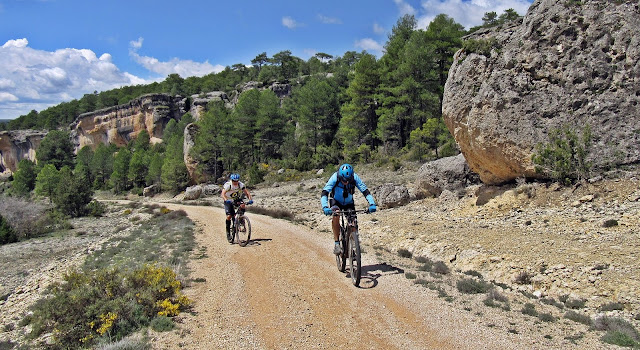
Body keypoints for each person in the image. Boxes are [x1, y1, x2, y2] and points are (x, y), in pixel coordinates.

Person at [320, 163, 377, 255]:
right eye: (344, 180)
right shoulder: (335, 177)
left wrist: (372, 204)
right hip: (335, 201)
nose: (346, 182)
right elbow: (324, 192)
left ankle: (352, 245)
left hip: (349, 203)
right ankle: (337, 243)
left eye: (348, 180)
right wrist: (325, 206)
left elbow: (365, 191)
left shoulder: (354, 177)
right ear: (340, 176)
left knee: (353, 222)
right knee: (336, 214)